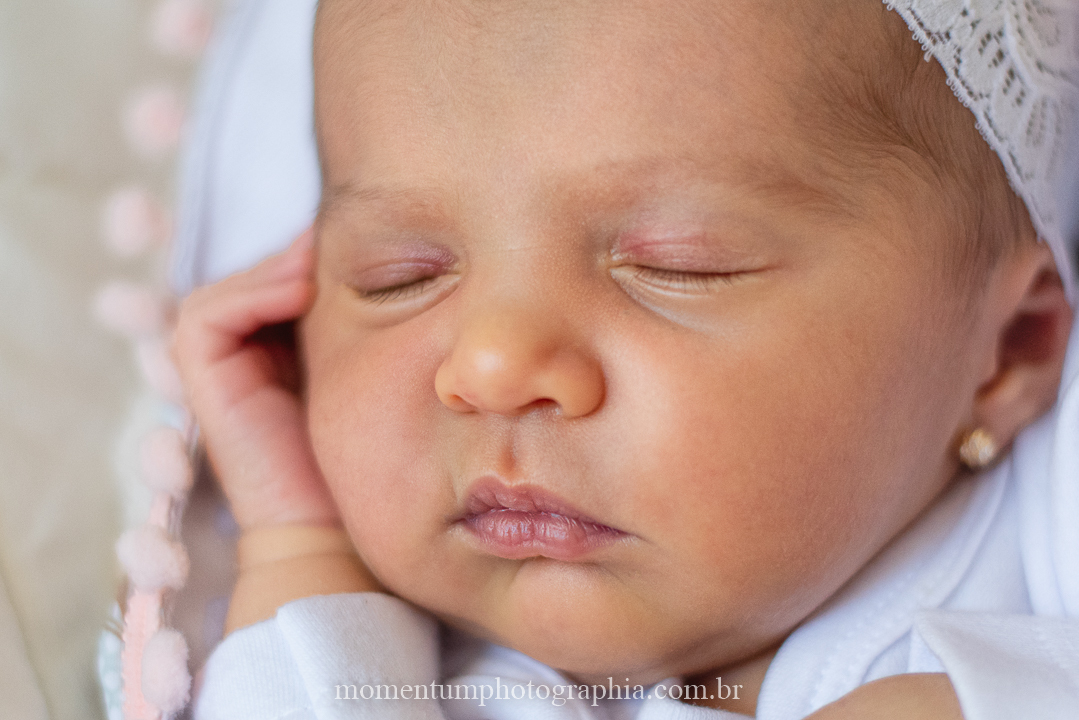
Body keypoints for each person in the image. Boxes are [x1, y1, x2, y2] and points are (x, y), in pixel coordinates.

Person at [175, 0, 1079, 717]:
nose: (491, 368)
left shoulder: (1035, 576)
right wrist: (297, 540)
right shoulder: (396, 673)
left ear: (1006, 348)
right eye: (398, 277)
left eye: (675, 266)